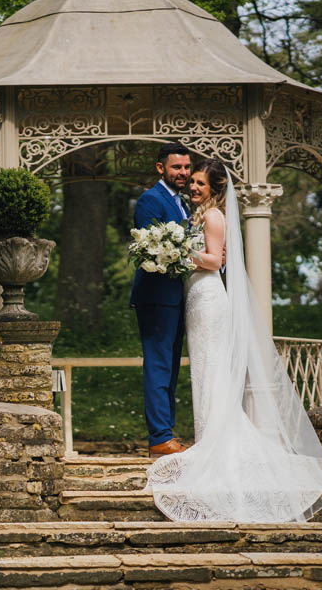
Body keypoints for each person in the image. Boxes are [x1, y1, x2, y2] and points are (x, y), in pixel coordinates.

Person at [146, 157, 322, 522]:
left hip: (208, 300)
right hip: (196, 300)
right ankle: (209, 439)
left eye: (201, 183)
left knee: (212, 373)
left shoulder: (215, 217)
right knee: (204, 374)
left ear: (216, 188)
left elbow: (215, 261)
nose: (194, 187)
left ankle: (218, 446)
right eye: (193, 182)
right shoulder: (198, 216)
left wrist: (178, 253)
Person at [130, 142, 193, 458]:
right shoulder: (150, 201)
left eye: (186, 167)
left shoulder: (183, 202)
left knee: (170, 368)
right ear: (161, 169)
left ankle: (166, 433)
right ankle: (159, 437)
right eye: (176, 167)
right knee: (158, 364)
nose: (183, 173)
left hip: (177, 296)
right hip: (156, 296)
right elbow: (149, 249)